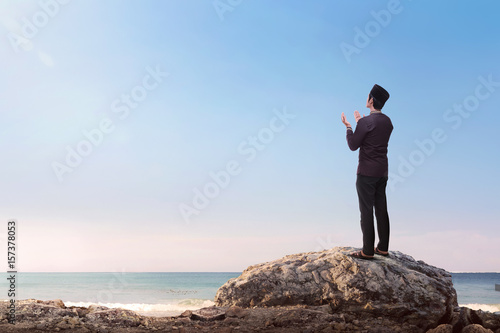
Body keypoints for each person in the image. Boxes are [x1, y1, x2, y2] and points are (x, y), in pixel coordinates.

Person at [341, 84, 393, 260]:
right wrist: (360, 123)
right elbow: (373, 135)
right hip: (382, 172)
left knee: (366, 211)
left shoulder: (365, 123)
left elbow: (353, 145)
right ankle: (383, 248)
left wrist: (349, 127)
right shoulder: (387, 122)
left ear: (371, 100)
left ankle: (367, 251)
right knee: (381, 209)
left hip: (366, 173)